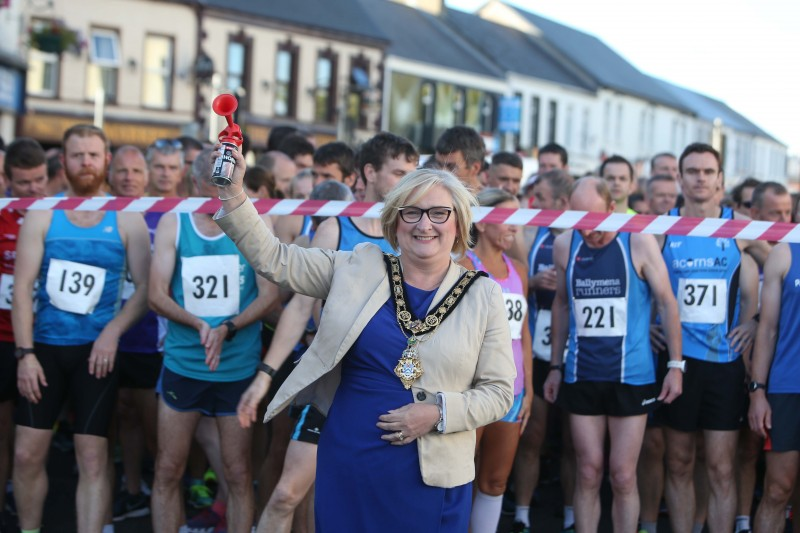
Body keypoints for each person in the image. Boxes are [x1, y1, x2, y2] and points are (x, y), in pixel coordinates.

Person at [216, 148, 515, 531]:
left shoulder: (483, 295)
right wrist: (233, 193)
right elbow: (276, 260)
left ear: (459, 223)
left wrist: (438, 412)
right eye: (412, 211)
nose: (425, 224)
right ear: (395, 221)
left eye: (439, 213)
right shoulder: (357, 266)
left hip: (432, 474)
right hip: (350, 459)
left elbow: (499, 392)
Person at [238, 132, 419, 533]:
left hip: (390, 388)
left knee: (369, 503)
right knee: (288, 494)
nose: (409, 182)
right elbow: (300, 306)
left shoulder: (414, 235)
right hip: (333, 386)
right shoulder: (336, 230)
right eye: (399, 173)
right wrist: (265, 376)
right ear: (369, 172)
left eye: (413, 174)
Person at [12, 124, 151, 533]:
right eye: (77, 156)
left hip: (97, 354)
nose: (86, 162)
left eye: (93, 155)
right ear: (64, 161)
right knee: (26, 455)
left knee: (92, 458)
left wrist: (112, 333)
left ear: (105, 160)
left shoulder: (126, 216)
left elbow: (145, 290)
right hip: (45, 351)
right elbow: (21, 289)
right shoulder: (43, 213)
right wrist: (25, 355)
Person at [543, 177, 683, 533]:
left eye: (595, 219)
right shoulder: (564, 245)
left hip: (631, 376)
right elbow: (561, 303)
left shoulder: (637, 239)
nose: (589, 231)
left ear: (611, 209)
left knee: (622, 474)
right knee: (588, 471)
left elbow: (667, 302)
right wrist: (556, 366)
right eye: (580, 221)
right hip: (582, 373)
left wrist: (676, 366)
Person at [148, 149, 277, 533]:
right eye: (214, 186)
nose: (222, 193)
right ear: (196, 184)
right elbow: (155, 293)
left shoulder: (256, 221)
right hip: (183, 362)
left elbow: (269, 295)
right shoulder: (176, 222)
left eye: (228, 184)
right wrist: (198, 324)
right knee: (168, 469)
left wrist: (228, 328)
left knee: (237, 475)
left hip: (236, 367)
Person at [657, 143, 764, 533]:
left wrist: (755, 319)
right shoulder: (662, 227)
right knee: (679, 462)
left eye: (708, 171)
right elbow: (640, 280)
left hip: (724, 364)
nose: (700, 178)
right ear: (680, 177)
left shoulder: (740, 226)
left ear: (720, 179)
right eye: (692, 171)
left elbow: (783, 269)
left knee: (721, 467)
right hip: (677, 363)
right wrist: (649, 322)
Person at [460, 188, 533, 533]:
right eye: (509, 218)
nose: (516, 227)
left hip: (512, 392)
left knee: (495, 482)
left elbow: (524, 335)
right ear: (483, 221)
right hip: (470, 390)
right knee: (459, 476)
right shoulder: (460, 265)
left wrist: (529, 389)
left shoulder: (518, 269)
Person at [512, 169, 576, 533]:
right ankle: (522, 514)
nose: (533, 204)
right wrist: (533, 283)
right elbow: (512, 278)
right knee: (532, 434)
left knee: (573, 440)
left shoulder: (584, 236)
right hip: (534, 347)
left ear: (564, 204)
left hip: (573, 351)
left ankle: (570, 514)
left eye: (541, 199)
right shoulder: (531, 233)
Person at [0, 138, 48, 524]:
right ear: (7, 181)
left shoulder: (59, 210)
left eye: (40, 180)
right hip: (2, 339)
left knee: (32, 435)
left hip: (42, 338)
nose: (34, 190)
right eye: (24, 183)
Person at [748, 241, 800, 532]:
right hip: (787, 387)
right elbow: (767, 328)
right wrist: (757, 391)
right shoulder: (785, 252)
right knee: (778, 489)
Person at [434, 125, 486, 191]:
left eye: (451, 167)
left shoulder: (492, 200)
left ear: (475, 168)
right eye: (439, 165)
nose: (441, 172)